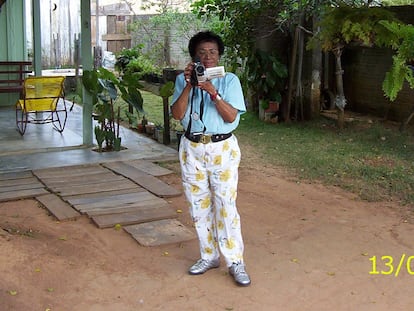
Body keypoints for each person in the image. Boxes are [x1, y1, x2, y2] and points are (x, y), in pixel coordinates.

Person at [170, 31, 251, 286]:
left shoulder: (230, 80)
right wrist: (190, 86)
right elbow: (176, 113)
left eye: (212, 52)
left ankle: (235, 261)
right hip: (192, 148)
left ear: (219, 55)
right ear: (194, 57)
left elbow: (230, 117)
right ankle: (208, 255)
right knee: (198, 205)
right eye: (202, 53)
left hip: (221, 149)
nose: (207, 57)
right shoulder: (182, 80)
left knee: (225, 205)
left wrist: (212, 92)